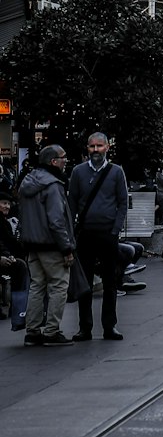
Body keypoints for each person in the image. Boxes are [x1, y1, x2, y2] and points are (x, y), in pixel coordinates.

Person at [67, 132, 129, 343]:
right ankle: (85, 327)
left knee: (110, 281)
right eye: (92, 146)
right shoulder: (78, 172)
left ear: (107, 148)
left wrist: (115, 230)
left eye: (99, 146)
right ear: (87, 148)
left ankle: (109, 326)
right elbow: (71, 203)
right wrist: (71, 232)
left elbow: (122, 203)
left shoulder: (116, 172)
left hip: (107, 234)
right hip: (85, 233)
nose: (95, 150)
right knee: (83, 282)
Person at [18, 144, 76, 345]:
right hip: (51, 245)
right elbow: (56, 220)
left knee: (36, 286)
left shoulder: (27, 181)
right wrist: (66, 247)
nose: (65, 160)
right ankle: (52, 330)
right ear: (53, 161)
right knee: (59, 285)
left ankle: (32, 331)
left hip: (32, 243)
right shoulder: (53, 185)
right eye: (63, 157)